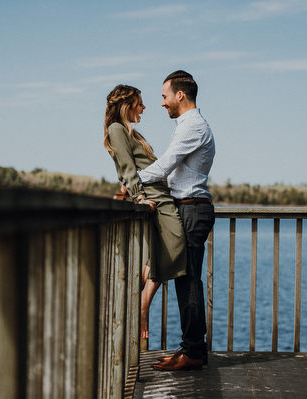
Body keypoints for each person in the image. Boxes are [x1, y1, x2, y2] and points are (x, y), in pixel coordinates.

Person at [138, 71, 215, 371]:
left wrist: (130, 181)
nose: (162, 103)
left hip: (192, 209)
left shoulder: (193, 126)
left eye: (164, 96)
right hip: (187, 208)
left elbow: (165, 164)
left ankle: (194, 352)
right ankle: (190, 348)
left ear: (180, 95)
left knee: (189, 281)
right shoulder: (187, 125)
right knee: (186, 280)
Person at [104, 84, 187, 340]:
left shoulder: (132, 132)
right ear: (127, 104)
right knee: (176, 247)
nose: (144, 107)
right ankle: (141, 305)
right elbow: (127, 167)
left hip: (161, 196)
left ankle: (132, 301)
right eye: (140, 102)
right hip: (152, 198)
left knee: (160, 253)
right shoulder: (117, 129)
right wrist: (139, 196)